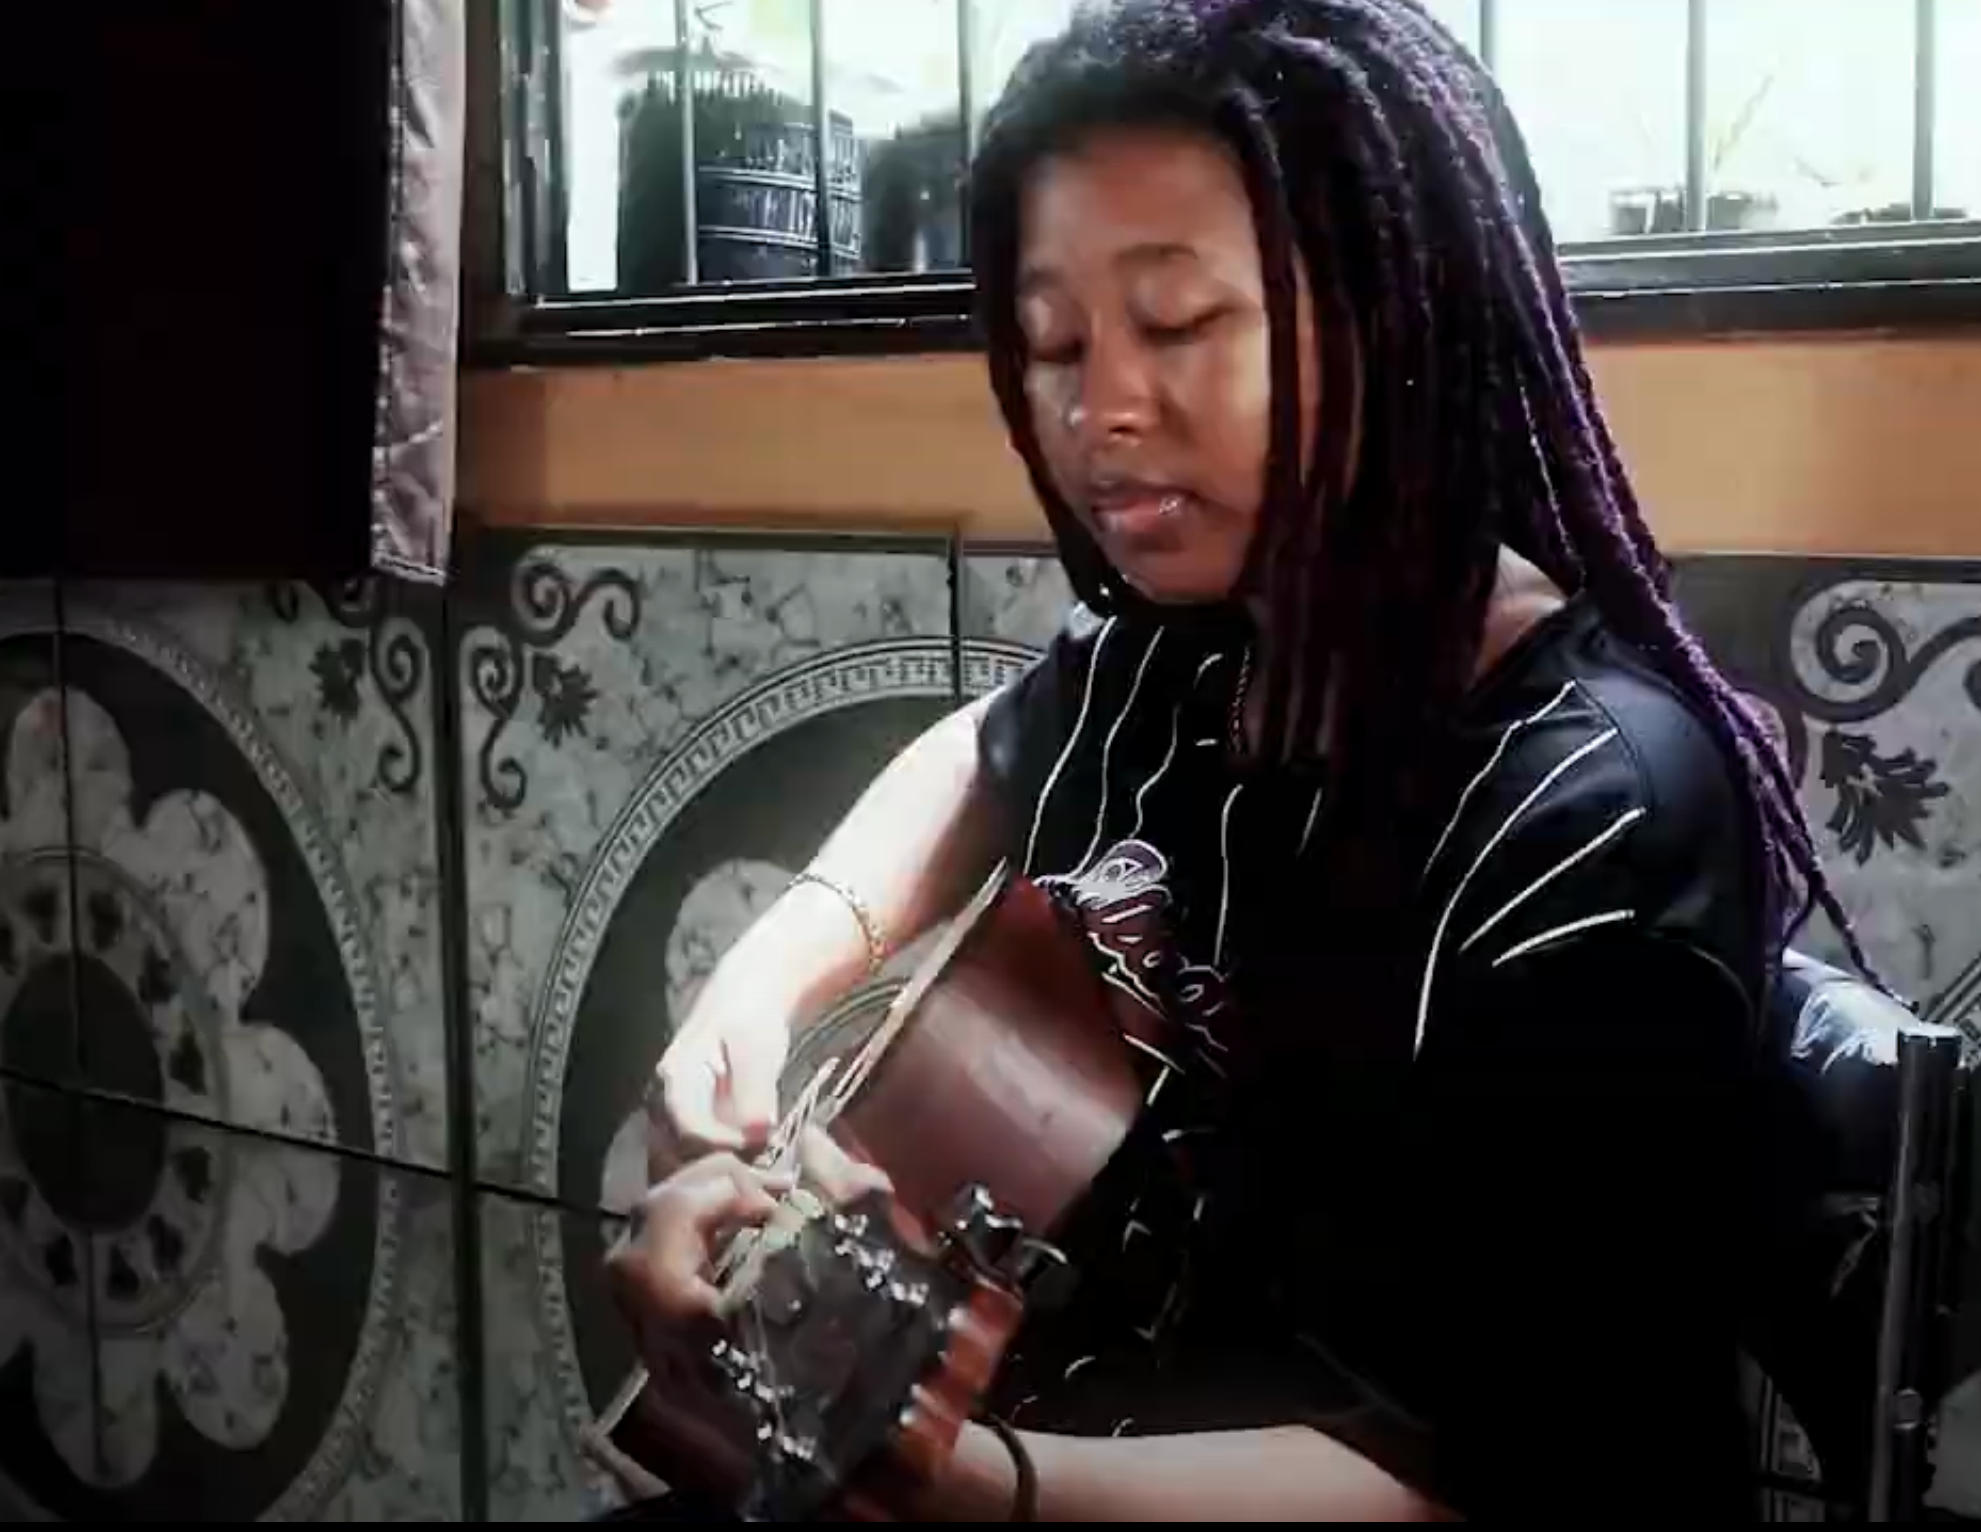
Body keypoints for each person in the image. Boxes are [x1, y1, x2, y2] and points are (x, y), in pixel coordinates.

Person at [606, 0, 1876, 1518]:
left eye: (1178, 322)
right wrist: (769, 981)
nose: (1099, 408)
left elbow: (1480, 1467)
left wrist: (940, 1474)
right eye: (1052, 342)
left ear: (1395, 317)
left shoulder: (1593, 814)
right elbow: (982, 751)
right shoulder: (1173, 651)